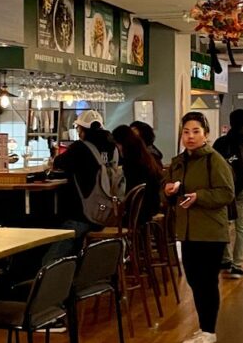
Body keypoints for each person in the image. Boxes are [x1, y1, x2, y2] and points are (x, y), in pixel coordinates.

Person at [163, 112, 235, 343]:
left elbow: (226, 193)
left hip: (210, 231)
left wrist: (199, 197)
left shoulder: (214, 160)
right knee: (194, 281)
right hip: (187, 231)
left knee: (207, 282)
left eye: (196, 131)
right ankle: (204, 327)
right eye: (186, 132)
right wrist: (169, 191)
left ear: (206, 134)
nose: (190, 136)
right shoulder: (178, 162)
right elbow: (166, 193)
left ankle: (209, 331)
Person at [49, 109, 119, 257]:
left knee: (56, 251)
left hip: (82, 216)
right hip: (108, 213)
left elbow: (59, 163)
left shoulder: (80, 147)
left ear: (81, 129)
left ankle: (50, 274)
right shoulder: (113, 147)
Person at [212, 109, 243, 278]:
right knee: (242, 230)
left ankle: (225, 259)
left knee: (223, 226)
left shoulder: (220, 143)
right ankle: (237, 265)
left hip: (224, 190)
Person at [112, 124, 162, 222]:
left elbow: (125, 194)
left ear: (120, 144)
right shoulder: (145, 157)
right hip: (150, 208)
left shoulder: (131, 164)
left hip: (137, 213)